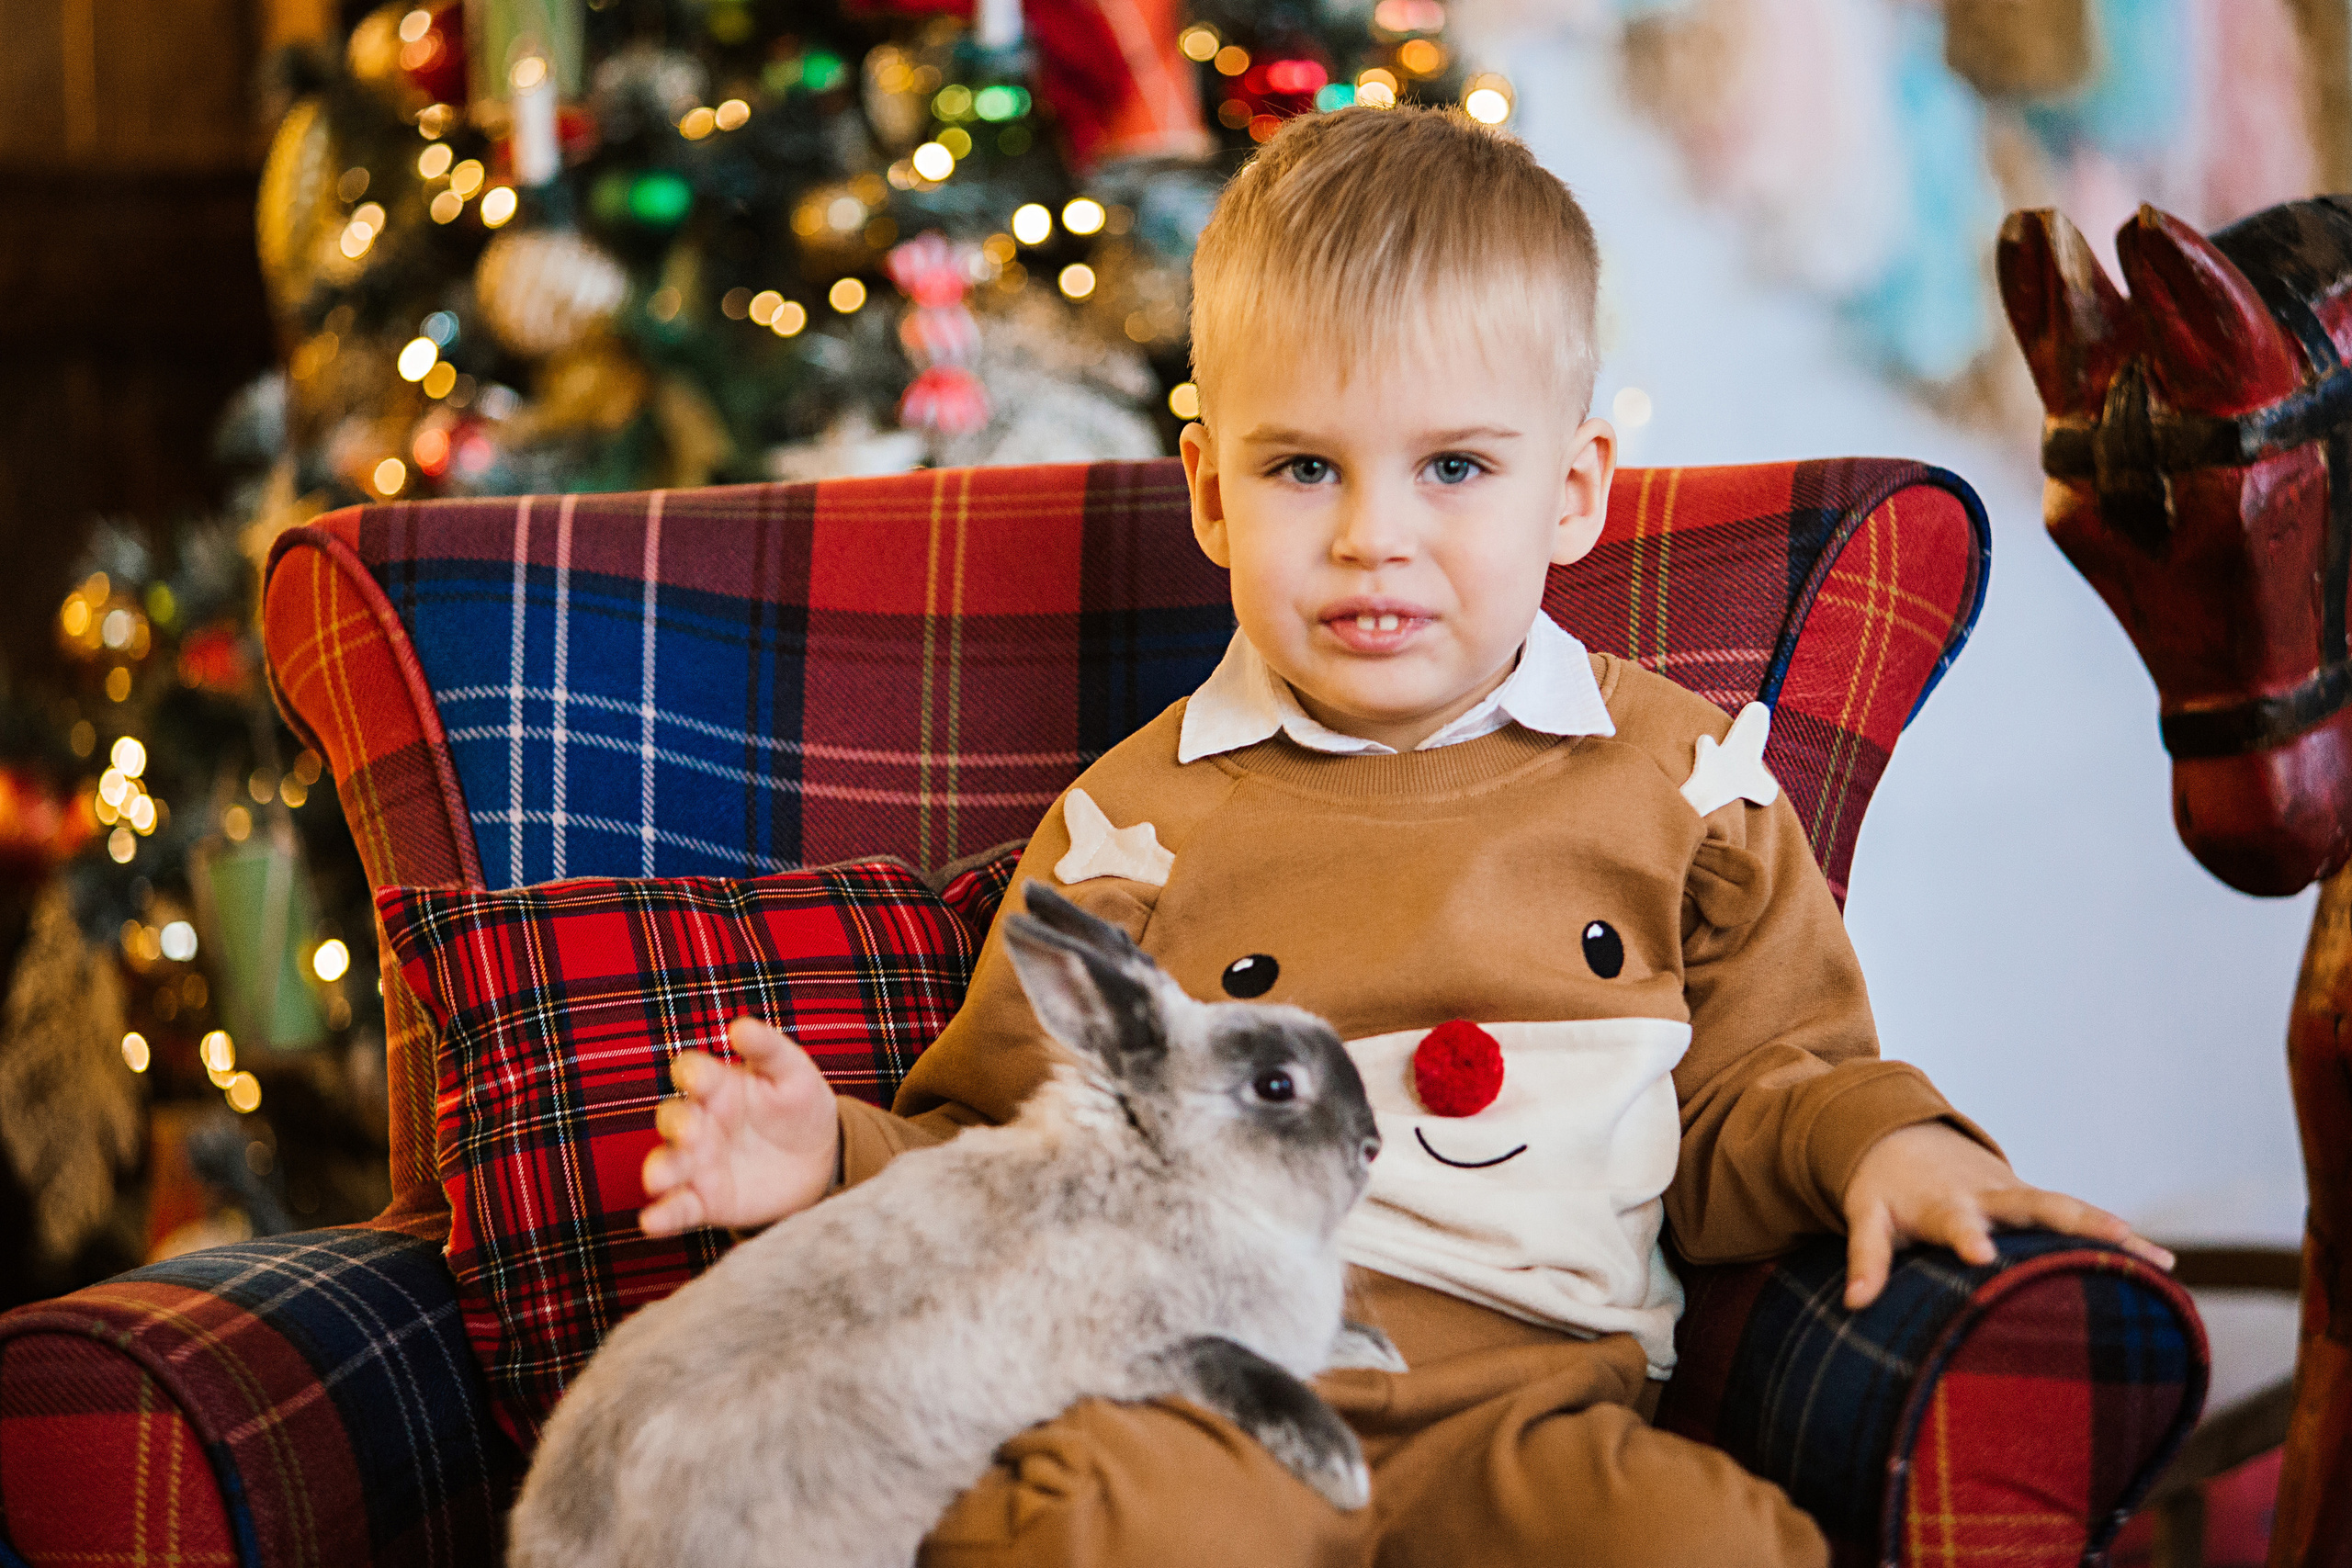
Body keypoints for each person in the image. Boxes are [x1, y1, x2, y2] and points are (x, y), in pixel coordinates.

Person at [637, 105, 2172, 1567]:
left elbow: (1771, 1087)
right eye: (1305, 467)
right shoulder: (1136, 827)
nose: (1376, 534)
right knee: (1098, 1535)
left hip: (1538, 1411)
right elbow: (1018, 1155)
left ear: (1570, 492)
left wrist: (1888, 1140)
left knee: (1707, 1546)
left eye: (1454, 467)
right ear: (1214, 495)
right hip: (1207, 1404)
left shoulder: (1683, 787)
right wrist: (831, 1151)